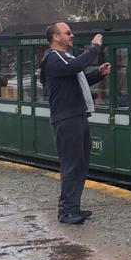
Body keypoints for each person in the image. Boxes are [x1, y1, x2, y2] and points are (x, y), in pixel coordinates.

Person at [38, 23, 108, 225]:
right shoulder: (53, 57)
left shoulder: (65, 58)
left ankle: (73, 207)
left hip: (77, 115)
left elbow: (75, 78)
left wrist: (98, 75)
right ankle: (66, 211)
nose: (72, 35)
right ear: (55, 37)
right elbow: (76, 66)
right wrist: (95, 48)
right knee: (71, 163)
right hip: (67, 117)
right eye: (67, 33)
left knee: (80, 163)